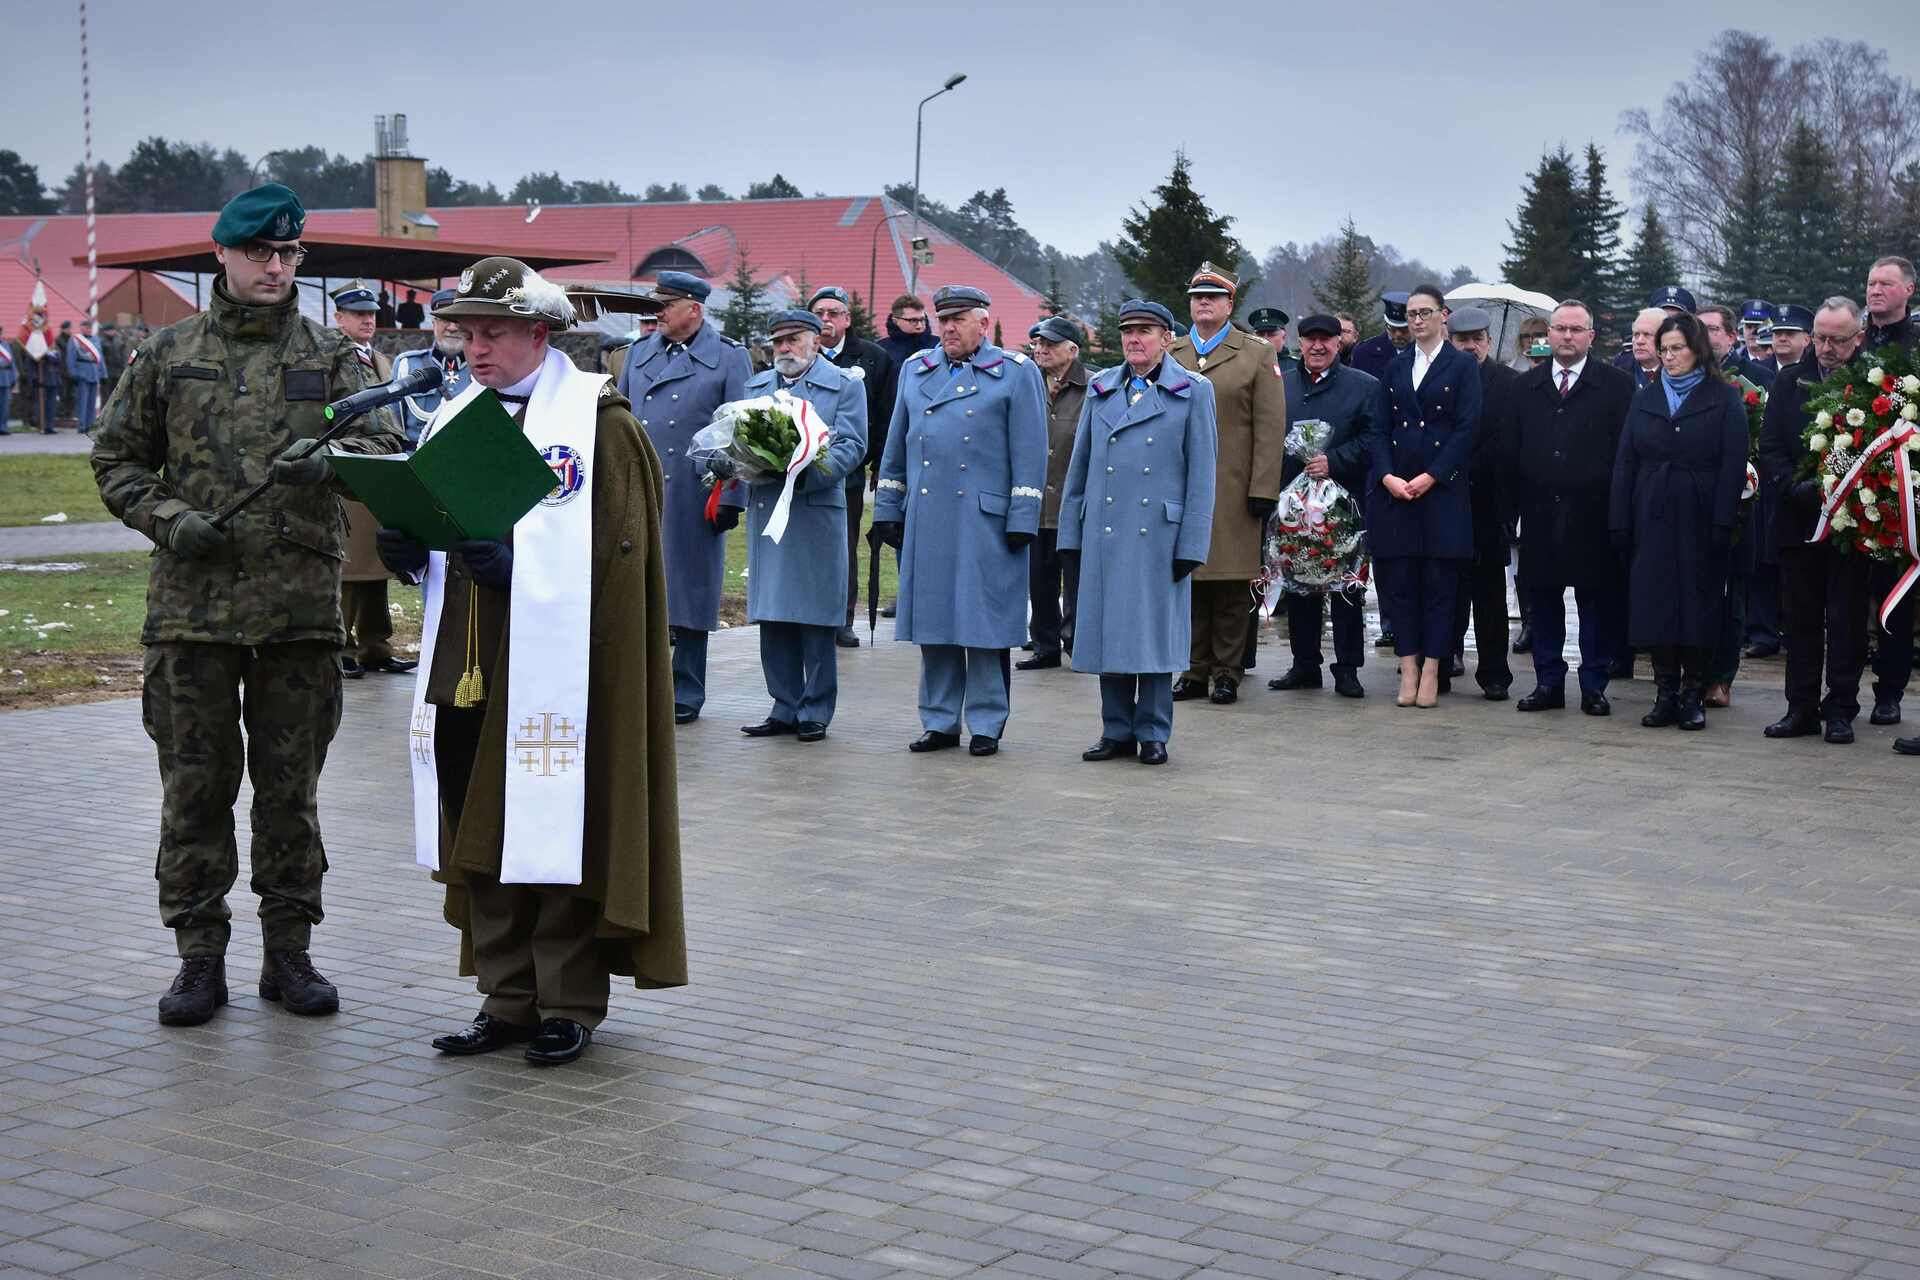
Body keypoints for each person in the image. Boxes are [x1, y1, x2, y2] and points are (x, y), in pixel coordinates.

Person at [90, 182, 406, 1026]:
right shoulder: (167, 354)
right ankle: (198, 958)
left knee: (289, 791)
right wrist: (168, 519)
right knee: (194, 789)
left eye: (290, 253)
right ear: (222, 255)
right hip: (192, 612)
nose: (277, 266)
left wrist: (331, 465)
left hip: (300, 611)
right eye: (263, 253)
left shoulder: (332, 354)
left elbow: (384, 442)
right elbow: (115, 460)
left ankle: (289, 953)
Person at [376, 257, 684, 1067]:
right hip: (471, 659)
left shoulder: (598, 423)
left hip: (565, 667)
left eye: (491, 333)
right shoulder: (454, 416)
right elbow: (445, 530)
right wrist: (410, 550)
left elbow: (627, 556)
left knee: (556, 824)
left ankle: (567, 999)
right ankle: (506, 995)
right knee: (478, 826)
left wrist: (531, 575)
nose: (473, 349)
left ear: (539, 334)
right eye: (464, 334)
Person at [871, 285, 1046, 757]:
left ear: (983, 324)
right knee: (936, 621)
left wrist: (1023, 515)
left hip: (986, 519)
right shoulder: (915, 369)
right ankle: (940, 720)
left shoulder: (1015, 372)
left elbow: (1029, 452)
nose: (947, 328)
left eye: (958, 319)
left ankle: (987, 722)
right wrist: (888, 509)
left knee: (983, 623)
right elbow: (896, 447)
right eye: (942, 319)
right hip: (929, 517)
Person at [1057, 300, 1217, 766]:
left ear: (1167, 339)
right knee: (1110, 633)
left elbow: (1203, 474)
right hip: (1105, 531)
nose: (1134, 339)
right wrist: (1070, 534)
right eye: (1127, 330)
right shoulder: (1101, 389)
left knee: (1151, 636)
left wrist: (1193, 542)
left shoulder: (1192, 391)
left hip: (1159, 536)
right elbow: (1079, 466)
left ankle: (1152, 731)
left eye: (1145, 330)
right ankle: (1116, 729)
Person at [620, 270, 752, 724]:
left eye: (666, 304)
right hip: (641, 488)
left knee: (690, 593)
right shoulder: (637, 354)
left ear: (694, 310)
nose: (656, 311)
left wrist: (731, 498)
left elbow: (742, 431)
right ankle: (640, 686)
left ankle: (685, 690)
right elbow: (617, 422)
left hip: (697, 490)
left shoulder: (730, 358)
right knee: (634, 589)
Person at [731, 309, 868, 739]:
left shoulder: (845, 385)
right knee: (774, 613)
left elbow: (852, 444)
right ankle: (783, 705)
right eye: (778, 342)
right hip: (769, 512)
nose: (784, 349)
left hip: (813, 511)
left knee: (814, 615)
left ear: (816, 342)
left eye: (793, 339)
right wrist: (735, 463)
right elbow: (736, 438)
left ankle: (815, 709)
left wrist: (805, 473)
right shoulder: (757, 387)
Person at [1610, 312, 1748, 731]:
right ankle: (1664, 690)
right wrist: (1620, 519)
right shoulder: (1645, 397)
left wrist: (1723, 520)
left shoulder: (1722, 397)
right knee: (1655, 602)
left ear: (1697, 350)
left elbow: (1732, 463)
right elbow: (1625, 461)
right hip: (1651, 509)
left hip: (1700, 512)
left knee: (1697, 601)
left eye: (1677, 349)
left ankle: (1693, 692)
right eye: (1664, 349)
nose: (1669, 357)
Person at [1505, 300, 1636, 715]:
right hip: (1540, 512)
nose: (1566, 336)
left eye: (1576, 330)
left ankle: (1594, 684)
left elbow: (1626, 455)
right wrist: (1511, 510)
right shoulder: (1525, 386)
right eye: (1559, 328)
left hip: (1594, 514)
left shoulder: (1616, 386)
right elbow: (1510, 453)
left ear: (1591, 337)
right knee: (1542, 600)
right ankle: (1548, 682)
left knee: (1595, 601)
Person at [1169, 262, 1286, 705]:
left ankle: (1226, 671)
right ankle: (1194, 669)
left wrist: (1263, 489)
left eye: (1213, 297)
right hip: (1180, 487)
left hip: (1234, 488)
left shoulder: (1256, 353)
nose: (1204, 303)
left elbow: (1270, 427)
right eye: (1198, 296)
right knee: (1190, 578)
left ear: (1229, 304)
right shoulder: (1174, 352)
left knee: (1232, 582)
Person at [1369, 283, 1481, 708]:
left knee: (1439, 586)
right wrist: (1386, 477)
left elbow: (1467, 428)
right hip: (1398, 492)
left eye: (1424, 312)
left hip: (1441, 492)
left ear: (1443, 315)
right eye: (1411, 313)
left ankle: (1433, 667)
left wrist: (1433, 475)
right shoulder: (1397, 367)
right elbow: (1377, 428)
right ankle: (1409, 665)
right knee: (1399, 585)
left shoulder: (1460, 366)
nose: (1417, 320)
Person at [1267, 314, 1385, 699]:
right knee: (1299, 583)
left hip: (1344, 506)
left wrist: (1335, 460)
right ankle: (1305, 664)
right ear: (1300, 342)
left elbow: (1374, 439)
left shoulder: (1364, 386)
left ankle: (1348, 669)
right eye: (1310, 340)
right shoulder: (1280, 385)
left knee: (1347, 587)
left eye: (1326, 340)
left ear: (1339, 343)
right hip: (1293, 504)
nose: (1317, 347)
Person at [328, 282, 412, 680]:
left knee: (376, 562)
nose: (367, 320)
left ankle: (375, 645)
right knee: (349, 564)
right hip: (348, 464)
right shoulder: (329, 357)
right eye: (358, 314)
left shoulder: (379, 359)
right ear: (338, 317)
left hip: (381, 460)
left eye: (371, 314)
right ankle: (341, 647)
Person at [807, 285, 895, 649]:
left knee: (843, 544)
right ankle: (807, 615)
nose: (825, 320)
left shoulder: (873, 358)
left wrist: (878, 461)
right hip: (798, 470)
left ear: (847, 319)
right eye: (819, 313)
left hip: (849, 471)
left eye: (832, 313)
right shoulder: (800, 353)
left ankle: (842, 619)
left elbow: (885, 415)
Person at [1443, 306, 1517, 697]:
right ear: (1450, 341)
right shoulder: (1438, 378)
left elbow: (1514, 444)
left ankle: (1494, 674)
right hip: (1443, 499)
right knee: (1446, 591)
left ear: (1489, 341)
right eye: (1462, 340)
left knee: (1490, 596)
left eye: (1477, 339)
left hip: (1490, 504)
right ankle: (1443, 661)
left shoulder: (1509, 383)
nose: (1470, 346)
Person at [1019, 314, 1089, 671]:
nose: (1040, 350)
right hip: (1035, 501)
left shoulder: (1092, 387)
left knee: (1076, 580)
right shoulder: (1026, 383)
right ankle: (1045, 646)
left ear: (1071, 350)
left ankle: (1077, 644)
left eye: (1048, 344)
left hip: (1074, 503)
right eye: (1037, 343)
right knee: (1039, 580)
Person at [390, 287, 471, 445]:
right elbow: (395, 430)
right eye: (445, 319)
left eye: (458, 320)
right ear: (434, 323)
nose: (452, 327)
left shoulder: (484, 369)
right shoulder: (407, 365)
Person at [1700, 303, 1775, 390]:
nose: (1703, 334)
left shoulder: (1760, 376)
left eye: (1712, 329)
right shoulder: (1684, 371)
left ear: (1731, 337)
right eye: (1699, 328)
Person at [1349, 292, 1410, 381]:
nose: (1398, 334)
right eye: (1392, 328)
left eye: (1404, 329)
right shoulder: (1364, 352)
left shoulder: (1426, 352)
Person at [1864, 256, 1916, 351]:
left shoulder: (1916, 343)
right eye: (1871, 284)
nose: (1876, 291)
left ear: (1909, 289)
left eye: (1886, 284)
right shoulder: (1850, 343)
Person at [63, 321, 106, 434]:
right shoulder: (75, 340)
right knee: (82, 401)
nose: (88, 329)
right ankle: (81, 425)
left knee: (92, 402)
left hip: (94, 373)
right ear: (81, 328)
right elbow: (70, 357)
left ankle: (90, 424)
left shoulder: (96, 339)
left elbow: (100, 358)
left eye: (89, 327)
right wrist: (73, 373)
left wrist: (103, 374)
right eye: (86, 327)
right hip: (81, 372)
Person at [879, 293, 937, 367]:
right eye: (913, 320)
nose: (919, 325)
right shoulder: (881, 350)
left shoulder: (939, 346)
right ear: (895, 321)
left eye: (922, 319)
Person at [1248, 307, 1298, 375]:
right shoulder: (1243, 366)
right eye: (1260, 335)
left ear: (1283, 337)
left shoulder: (1297, 368)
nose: (1265, 339)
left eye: (1271, 335)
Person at [0, 337, 14, 434]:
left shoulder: (6, 344)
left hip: (6, 379)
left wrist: (13, 377)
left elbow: (11, 362)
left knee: (5, 406)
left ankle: (3, 427)